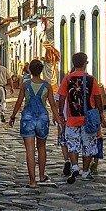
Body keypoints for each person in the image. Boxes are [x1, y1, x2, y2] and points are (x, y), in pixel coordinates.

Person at [9, 59, 62, 188]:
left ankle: (32, 181)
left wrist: (13, 116)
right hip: (42, 118)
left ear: (30, 71)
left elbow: (19, 101)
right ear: (41, 70)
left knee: (30, 150)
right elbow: (53, 104)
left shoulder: (26, 85)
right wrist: (58, 118)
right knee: (42, 147)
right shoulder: (47, 85)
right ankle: (42, 175)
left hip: (28, 117)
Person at [58, 52, 106, 184]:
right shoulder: (91, 79)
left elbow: (62, 97)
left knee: (73, 144)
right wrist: (100, 114)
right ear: (85, 63)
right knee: (89, 145)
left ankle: (74, 166)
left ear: (73, 63)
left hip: (72, 119)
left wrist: (60, 113)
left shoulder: (67, 79)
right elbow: (98, 99)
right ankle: (85, 171)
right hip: (88, 120)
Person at [43, 43, 70, 175]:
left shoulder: (47, 64)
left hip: (51, 85)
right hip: (54, 85)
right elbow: (57, 56)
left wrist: (57, 114)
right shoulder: (53, 64)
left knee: (63, 136)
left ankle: (67, 160)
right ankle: (75, 163)